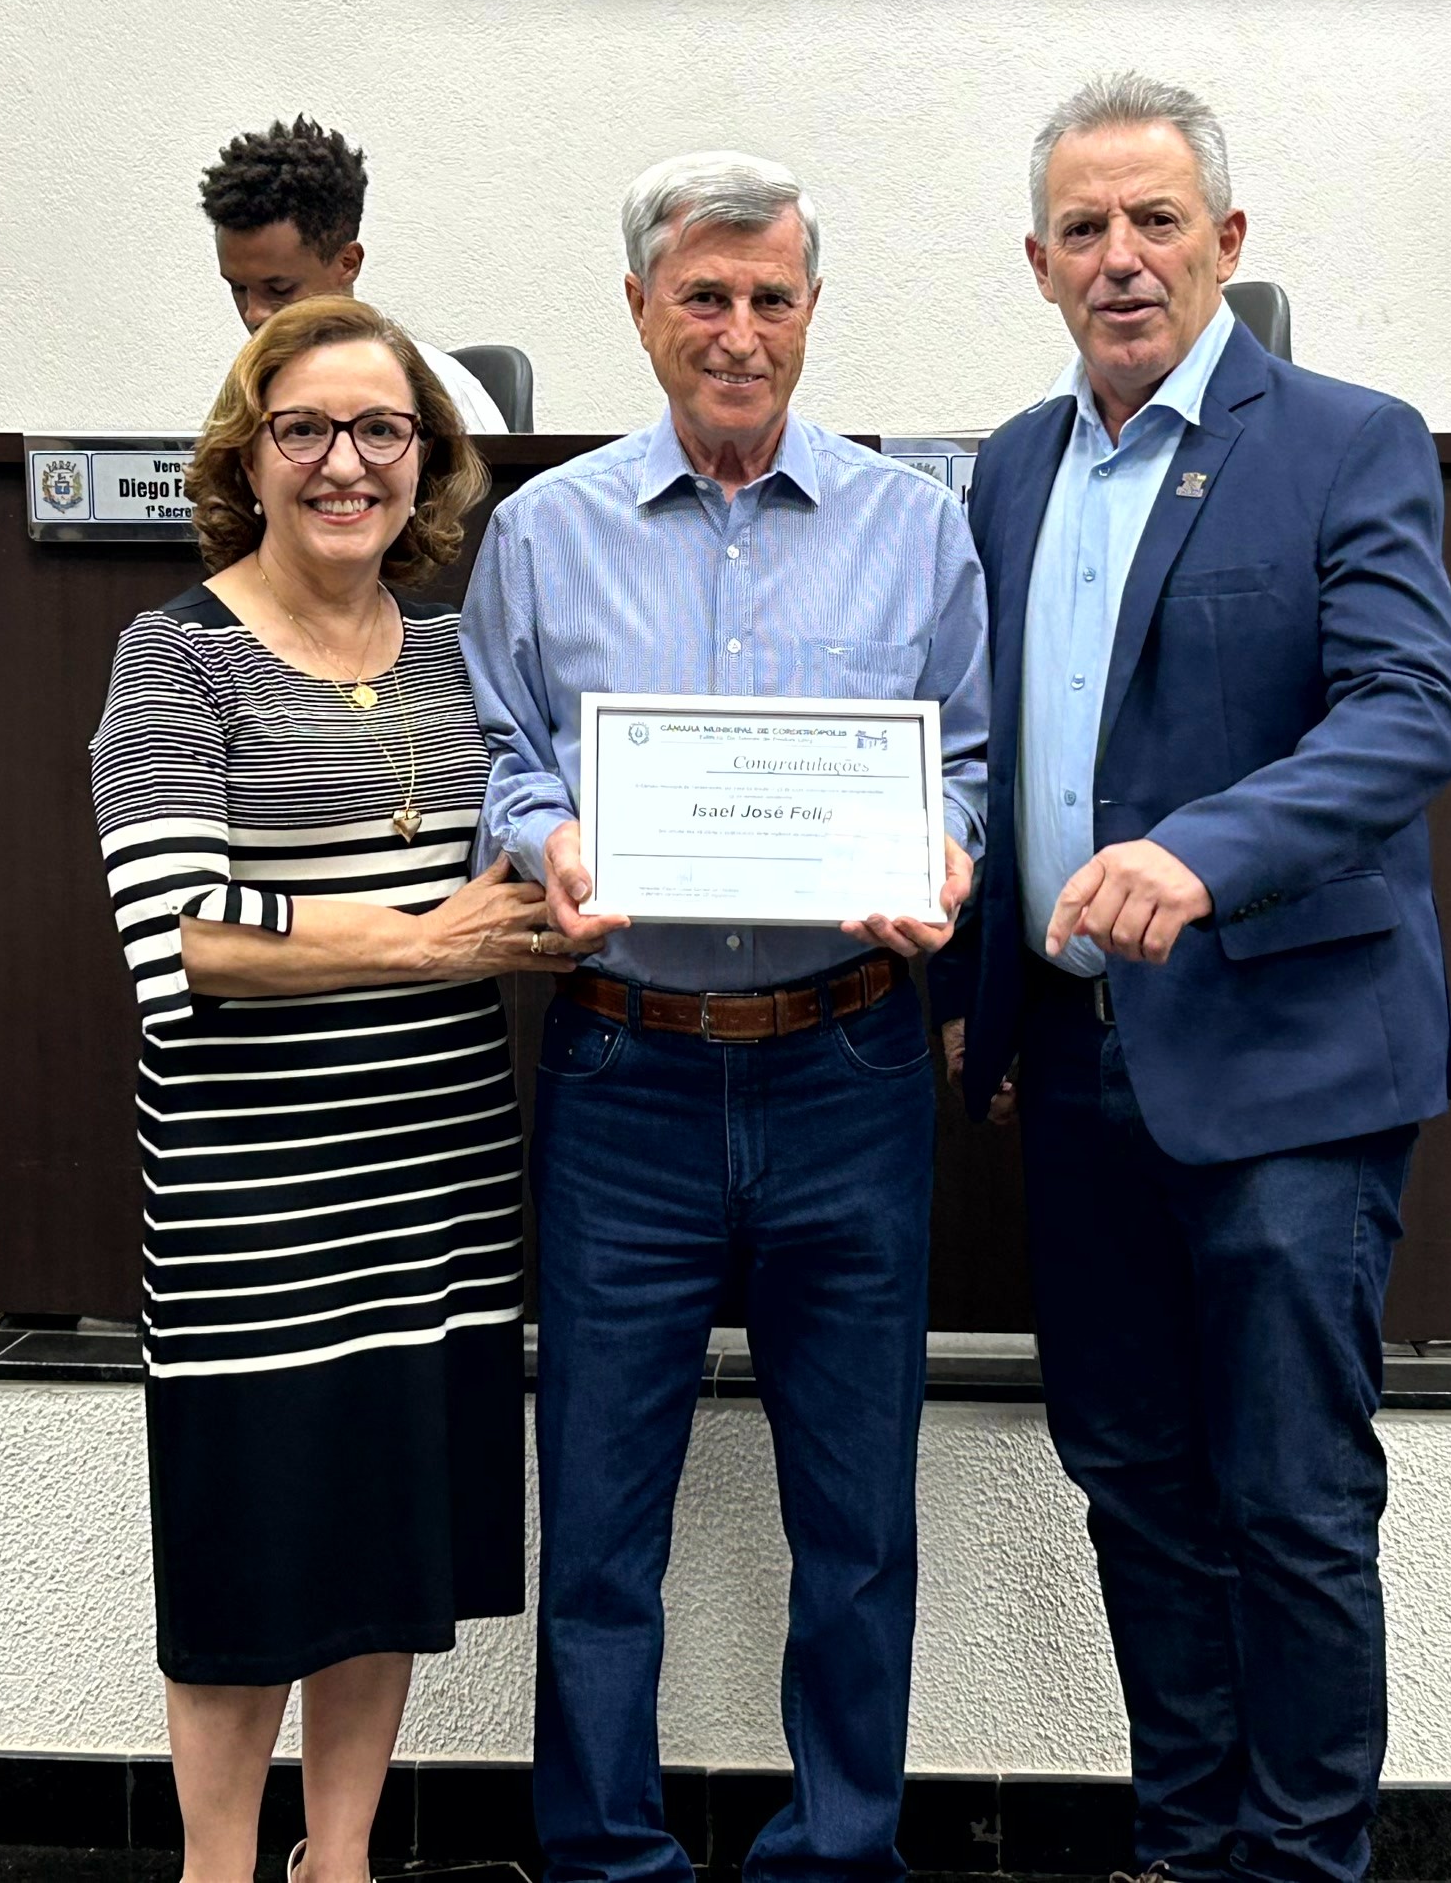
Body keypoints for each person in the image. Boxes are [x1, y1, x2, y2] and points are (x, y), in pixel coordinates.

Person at [936, 76, 1451, 1883]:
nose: (1121, 257)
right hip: (1076, 1069)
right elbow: (1007, 747)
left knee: (1291, 1495)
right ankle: (1183, 1846)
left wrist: (1202, 850)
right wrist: (986, 984)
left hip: (1290, 1070)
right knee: (1136, 1484)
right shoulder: (1010, 468)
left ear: (1225, 242)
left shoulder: (1345, 440)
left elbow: (1411, 710)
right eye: (1082, 228)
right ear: (1036, 262)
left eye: (1155, 220)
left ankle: (1301, 1860)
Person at [460, 152, 989, 1883]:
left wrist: (946, 847)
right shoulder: (544, 531)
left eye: (771, 297)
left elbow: (968, 760)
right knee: (600, 1517)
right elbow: (504, 754)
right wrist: (548, 839)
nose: (739, 330)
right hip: (626, 1070)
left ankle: (836, 1853)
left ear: (812, 311)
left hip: (851, 1061)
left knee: (857, 1514)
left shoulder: (915, 526)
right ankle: (604, 1854)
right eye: (704, 295)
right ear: (640, 310)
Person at [89, 294, 576, 1883]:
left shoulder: (455, 655)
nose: (344, 462)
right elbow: (183, 935)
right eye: (303, 428)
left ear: (424, 456)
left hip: (435, 1186)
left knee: (382, 1542)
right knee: (249, 1558)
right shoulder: (175, 656)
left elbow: (541, 847)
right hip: (252, 1210)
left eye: (380, 429)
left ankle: (342, 1858)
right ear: (249, 456)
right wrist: (428, 940)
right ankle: (219, 1866)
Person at [200, 115, 515, 435]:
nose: (253, 314)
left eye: (280, 289)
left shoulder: (441, 390)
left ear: (347, 264)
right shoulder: (243, 399)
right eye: (237, 288)